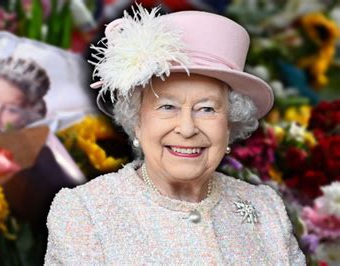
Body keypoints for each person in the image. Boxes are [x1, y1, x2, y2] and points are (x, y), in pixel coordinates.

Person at [44, 6, 306, 264]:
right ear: (136, 120)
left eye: (207, 109)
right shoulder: (84, 212)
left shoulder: (266, 208)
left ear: (229, 124)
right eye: (167, 107)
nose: (188, 128)